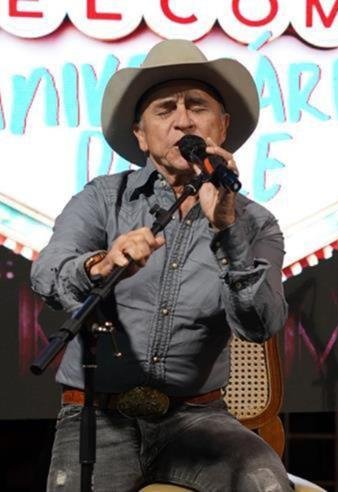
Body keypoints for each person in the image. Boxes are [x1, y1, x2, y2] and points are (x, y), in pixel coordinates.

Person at [31, 39, 292, 491]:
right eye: (165, 109)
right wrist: (102, 264)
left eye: (197, 106)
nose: (183, 120)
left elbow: (260, 325)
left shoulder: (256, 223)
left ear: (223, 125)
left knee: (265, 483)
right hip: (98, 413)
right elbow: (46, 274)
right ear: (140, 134)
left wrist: (227, 230)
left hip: (197, 418)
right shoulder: (102, 199)